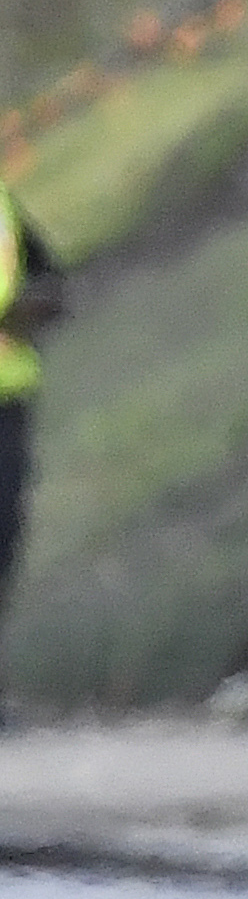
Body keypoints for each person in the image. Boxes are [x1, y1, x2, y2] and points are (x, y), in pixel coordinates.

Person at [0, 175, 62, 724]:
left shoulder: (3, 206)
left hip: (7, 402)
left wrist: (30, 308)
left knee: (2, 539)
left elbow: (50, 281)